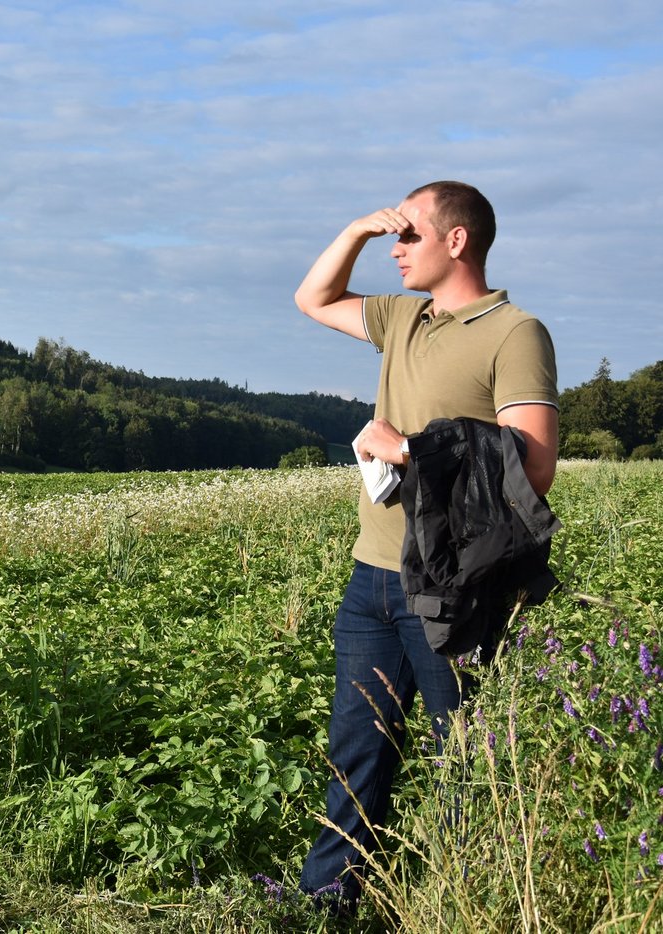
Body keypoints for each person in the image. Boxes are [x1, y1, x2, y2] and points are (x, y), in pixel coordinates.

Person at [293, 181, 558, 909]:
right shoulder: (402, 319)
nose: (396, 248)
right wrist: (353, 230)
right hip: (372, 576)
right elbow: (312, 299)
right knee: (357, 748)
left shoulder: (516, 333)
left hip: (456, 584)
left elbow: (534, 465)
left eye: (408, 234)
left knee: (462, 758)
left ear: (457, 240)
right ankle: (326, 904)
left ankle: (452, 902)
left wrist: (410, 450)